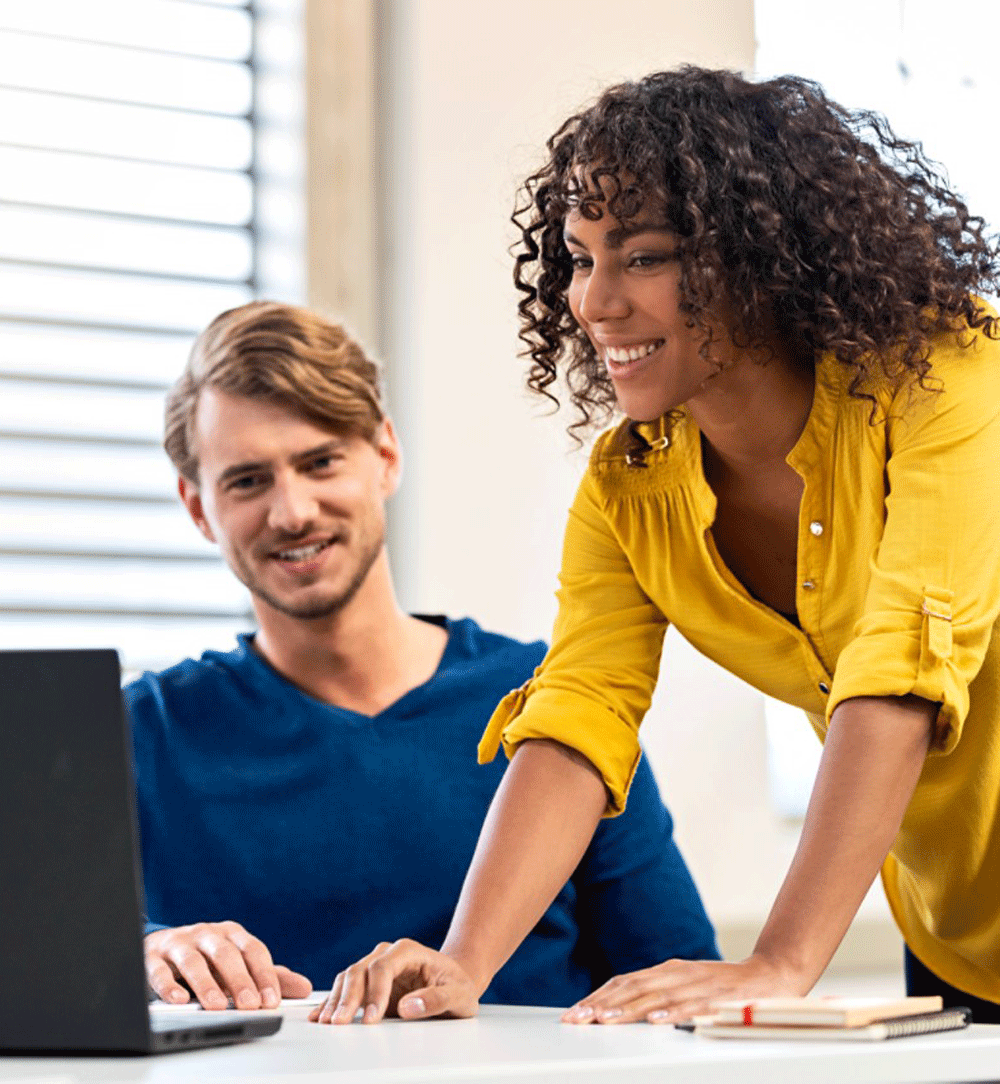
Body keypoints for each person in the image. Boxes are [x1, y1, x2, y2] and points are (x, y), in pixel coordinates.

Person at [315, 66, 1000, 1027]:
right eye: (580, 257)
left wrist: (780, 961)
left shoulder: (949, 375)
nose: (594, 301)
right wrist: (462, 963)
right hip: (958, 932)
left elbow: (902, 663)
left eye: (643, 256)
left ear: (766, 252)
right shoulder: (628, 487)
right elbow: (582, 712)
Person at [129, 299, 719, 1014]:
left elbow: (682, 985)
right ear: (198, 508)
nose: (292, 512)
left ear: (384, 456)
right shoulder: (142, 732)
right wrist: (145, 951)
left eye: (320, 463)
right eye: (247, 481)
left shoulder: (550, 701)